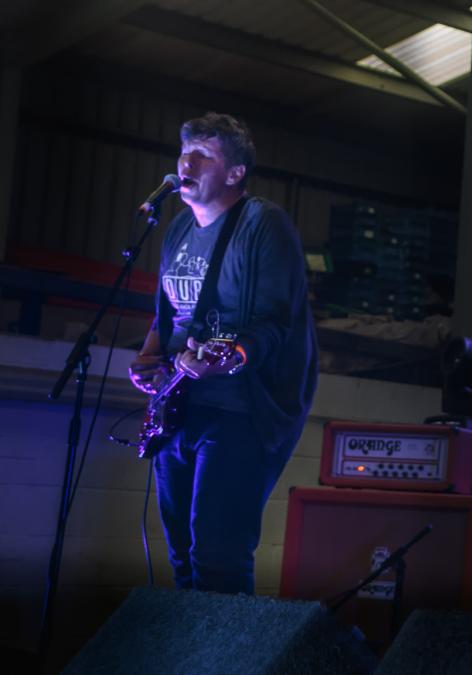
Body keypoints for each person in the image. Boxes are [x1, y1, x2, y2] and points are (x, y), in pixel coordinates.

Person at [128, 112, 318, 594]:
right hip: (178, 408)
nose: (185, 163)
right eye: (183, 152)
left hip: (239, 412)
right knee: (181, 557)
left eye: (202, 155)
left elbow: (278, 319)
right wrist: (147, 358)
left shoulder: (263, 224)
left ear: (234, 173)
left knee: (218, 553)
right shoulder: (176, 231)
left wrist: (229, 356)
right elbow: (169, 316)